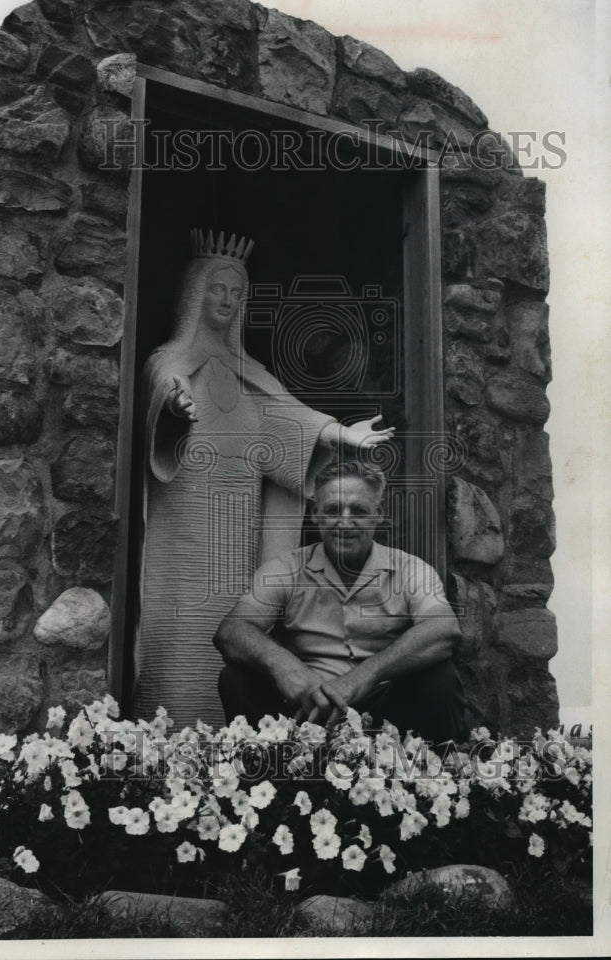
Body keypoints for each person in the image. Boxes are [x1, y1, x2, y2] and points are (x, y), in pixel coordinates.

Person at [131, 230, 394, 727]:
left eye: (237, 292)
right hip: (184, 528)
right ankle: (170, 731)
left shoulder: (251, 376)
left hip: (236, 532)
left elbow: (291, 421)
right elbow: (166, 388)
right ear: (194, 295)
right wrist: (174, 405)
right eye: (217, 289)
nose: (227, 300)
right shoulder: (168, 362)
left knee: (237, 623)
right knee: (183, 630)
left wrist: (344, 436)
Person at [214, 460, 466, 743]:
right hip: (303, 713)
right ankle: (269, 780)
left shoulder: (410, 570)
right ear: (315, 514)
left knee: (440, 678)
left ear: (378, 514)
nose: (345, 522)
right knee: (236, 679)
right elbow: (231, 632)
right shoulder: (285, 569)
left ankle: (433, 781)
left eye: (358, 510)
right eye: (333, 510)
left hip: (386, 717)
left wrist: (360, 679)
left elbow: (444, 631)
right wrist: (285, 667)